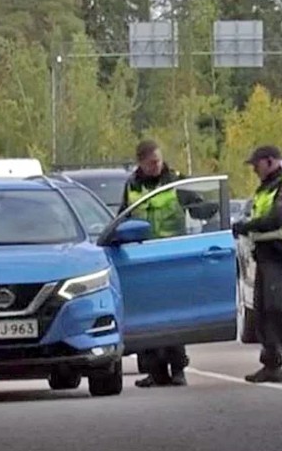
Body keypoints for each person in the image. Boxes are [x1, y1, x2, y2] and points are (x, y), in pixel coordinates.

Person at [119, 139, 201, 387]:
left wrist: (209, 211)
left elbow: (198, 206)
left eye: (158, 161)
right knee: (147, 318)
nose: (156, 166)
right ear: (140, 163)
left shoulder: (175, 180)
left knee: (173, 316)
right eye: (151, 162)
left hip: (171, 257)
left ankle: (178, 370)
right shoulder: (132, 185)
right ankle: (155, 372)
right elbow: (124, 215)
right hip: (143, 259)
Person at [232, 145, 282, 383]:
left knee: (280, 309)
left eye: (256, 165)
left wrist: (246, 226)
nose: (255, 170)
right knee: (263, 312)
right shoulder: (265, 189)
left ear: (270, 161)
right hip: (265, 257)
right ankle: (271, 364)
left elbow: (279, 218)